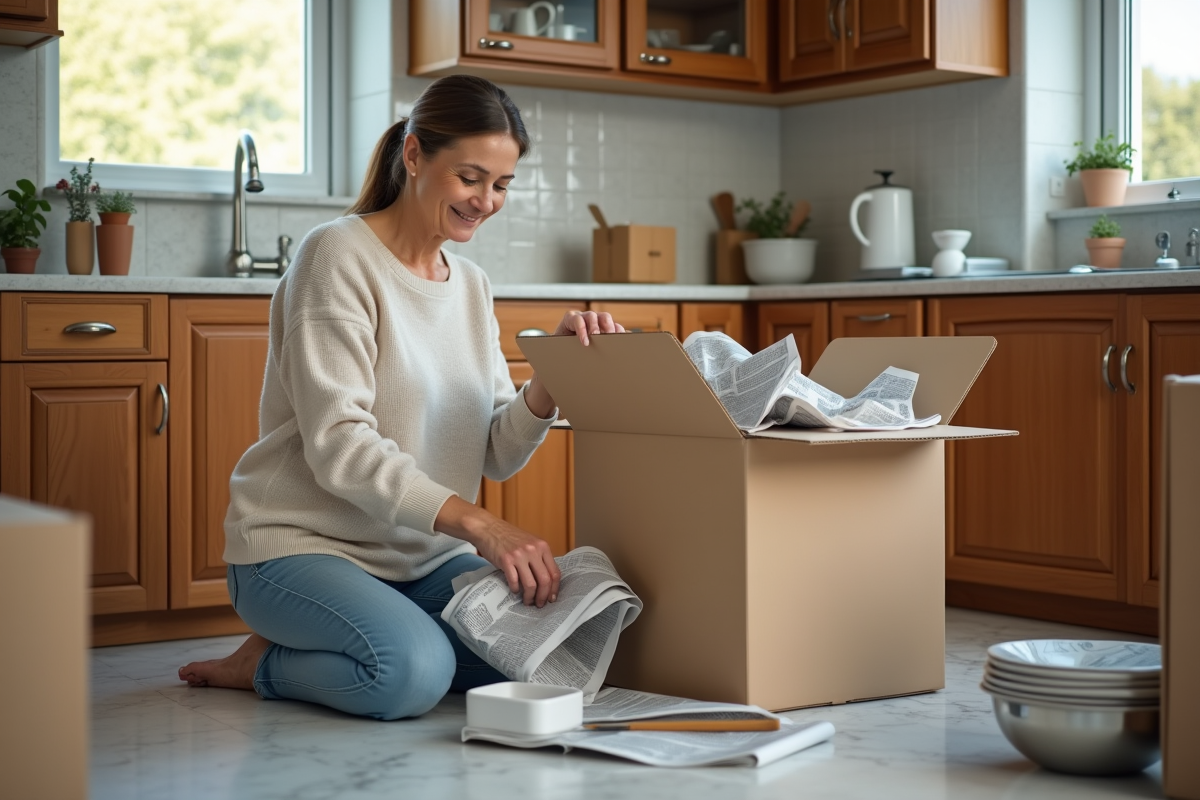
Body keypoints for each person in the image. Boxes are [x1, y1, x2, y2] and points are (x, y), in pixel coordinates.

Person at [178, 75, 623, 720]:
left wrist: (548, 382)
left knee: (551, 655)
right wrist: (483, 527)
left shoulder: (470, 284)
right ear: (414, 156)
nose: (486, 201)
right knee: (410, 674)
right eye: (470, 178)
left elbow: (494, 450)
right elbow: (341, 445)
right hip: (302, 549)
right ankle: (262, 663)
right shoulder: (336, 255)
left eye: (501, 185)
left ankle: (364, 635)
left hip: (422, 560)